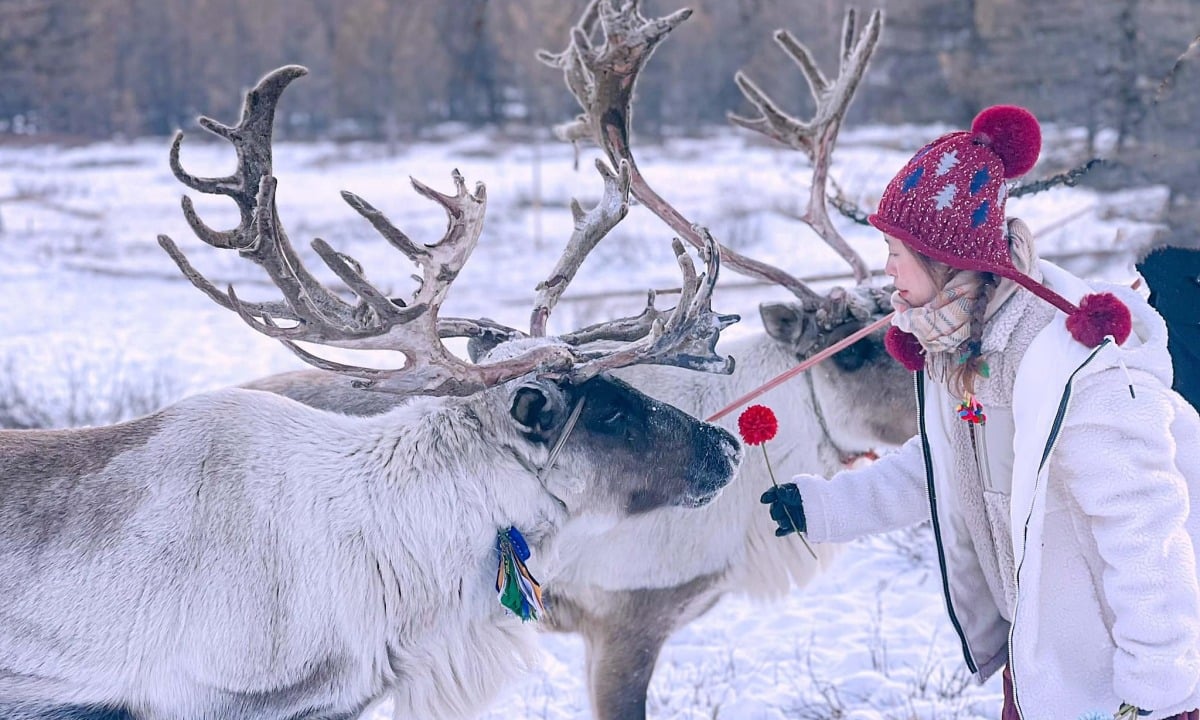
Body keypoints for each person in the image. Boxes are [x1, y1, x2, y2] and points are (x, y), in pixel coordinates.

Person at [761, 105, 1200, 720]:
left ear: (946, 256)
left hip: (1127, 670)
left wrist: (1156, 684)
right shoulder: (959, 342)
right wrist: (827, 506)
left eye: (895, 250)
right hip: (1047, 654)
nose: (886, 268)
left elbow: (1143, 526)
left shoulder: (1068, 361)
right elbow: (945, 466)